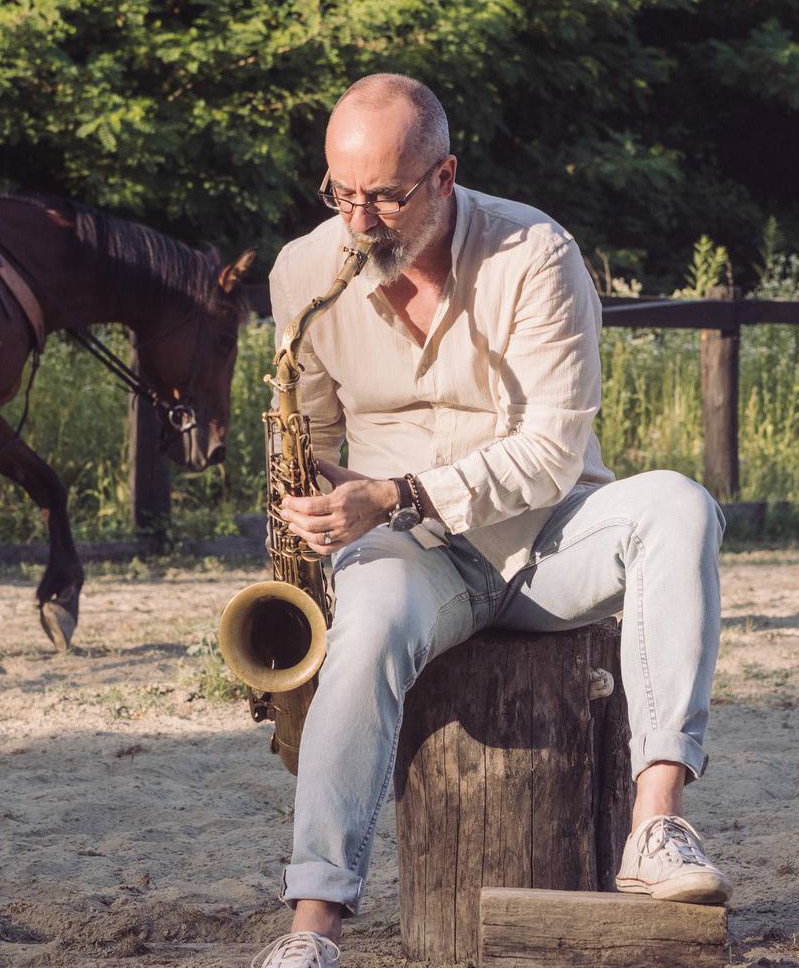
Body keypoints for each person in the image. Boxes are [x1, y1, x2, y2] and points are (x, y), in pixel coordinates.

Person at [249, 74, 729, 968]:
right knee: (367, 626)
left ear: (443, 176)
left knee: (679, 505)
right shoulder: (303, 273)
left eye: (386, 197)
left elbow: (551, 452)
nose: (360, 223)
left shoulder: (537, 252)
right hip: (404, 557)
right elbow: (308, 439)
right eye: (341, 195)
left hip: (550, 537)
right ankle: (312, 929)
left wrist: (395, 493)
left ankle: (657, 828)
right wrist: (311, 502)